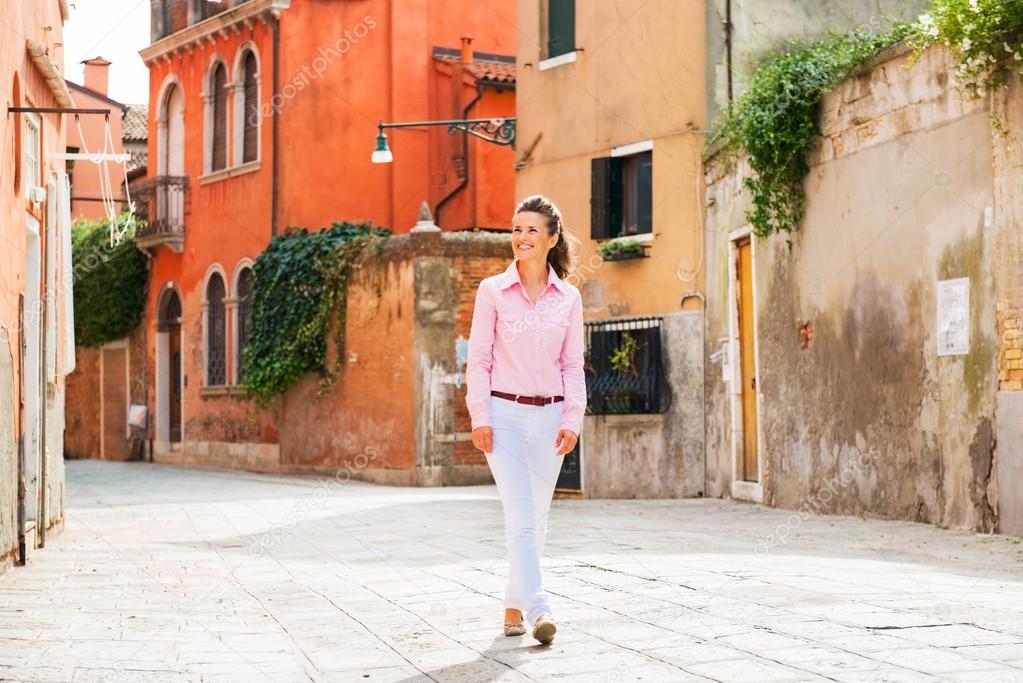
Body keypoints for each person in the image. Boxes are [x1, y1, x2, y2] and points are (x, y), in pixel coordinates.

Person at [465, 194, 586, 645]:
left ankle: (512, 605)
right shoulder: (492, 292)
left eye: (532, 230)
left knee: (537, 514)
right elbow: (478, 359)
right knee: (519, 508)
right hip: (504, 415)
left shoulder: (568, 298)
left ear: (552, 239)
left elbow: (573, 364)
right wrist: (480, 414)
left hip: (551, 416)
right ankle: (540, 608)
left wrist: (572, 419)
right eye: (516, 230)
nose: (521, 237)